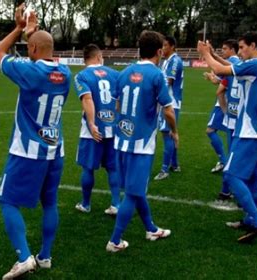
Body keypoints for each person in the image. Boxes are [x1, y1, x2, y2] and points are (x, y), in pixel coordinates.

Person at [0, 4, 71, 279]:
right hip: (55, 148)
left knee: (7, 200)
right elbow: (42, 53)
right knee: (50, 203)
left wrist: (18, 29)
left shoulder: (30, 72)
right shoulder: (66, 74)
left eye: (29, 47)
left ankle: (24, 257)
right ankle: (45, 256)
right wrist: (32, 33)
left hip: (27, 150)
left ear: (34, 50)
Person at [106, 31, 179, 252]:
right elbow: (168, 111)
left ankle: (151, 228)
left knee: (135, 189)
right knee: (133, 193)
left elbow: (117, 106)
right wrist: (174, 132)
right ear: (159, 51)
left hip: (121, 141)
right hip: (141, 144)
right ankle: (115, 241)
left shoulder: (123, 73)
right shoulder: (157, 75)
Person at [197, 31, 257, 243]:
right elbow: (231, 67)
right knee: (251, 177)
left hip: (250, 131)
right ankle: (250, 218)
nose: (240, 52)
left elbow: (222, 69)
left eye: (242, 47)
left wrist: (205, 54)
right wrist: (212, 53)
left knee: (231, 176)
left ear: (254, 45)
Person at [73, 44, 121, 215]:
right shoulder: (115, 74)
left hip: (91, 132)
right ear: (99, 56)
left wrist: (92, 123)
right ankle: (116, 204)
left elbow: (87, 98)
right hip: (113, 129)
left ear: (85, 59)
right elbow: (121, 97)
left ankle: (86, 204)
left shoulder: (82, 76)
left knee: (88, 168)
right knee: (113, 167)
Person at [205, 40, 242, 203]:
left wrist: (209, 54)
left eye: (225, 49)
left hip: (230, 110)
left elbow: (220, 87)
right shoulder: (240, 65)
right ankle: (228, 189)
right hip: (236, 113)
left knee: (211, 131)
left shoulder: (234, 63)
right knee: (239, 155)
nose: (223, 52)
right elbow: (221, 81)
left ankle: (224, 162)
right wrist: (213, 77)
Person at [154, 35, 183, 180]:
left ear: (172, 46)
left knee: (167, 134)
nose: (163, 48)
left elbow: (169, 81)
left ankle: (164, 169)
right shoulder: (167, 61)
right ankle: (175, 164)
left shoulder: (175, 61)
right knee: (169, 133)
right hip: (166, 101)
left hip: (171, 102)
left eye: (165, 45)